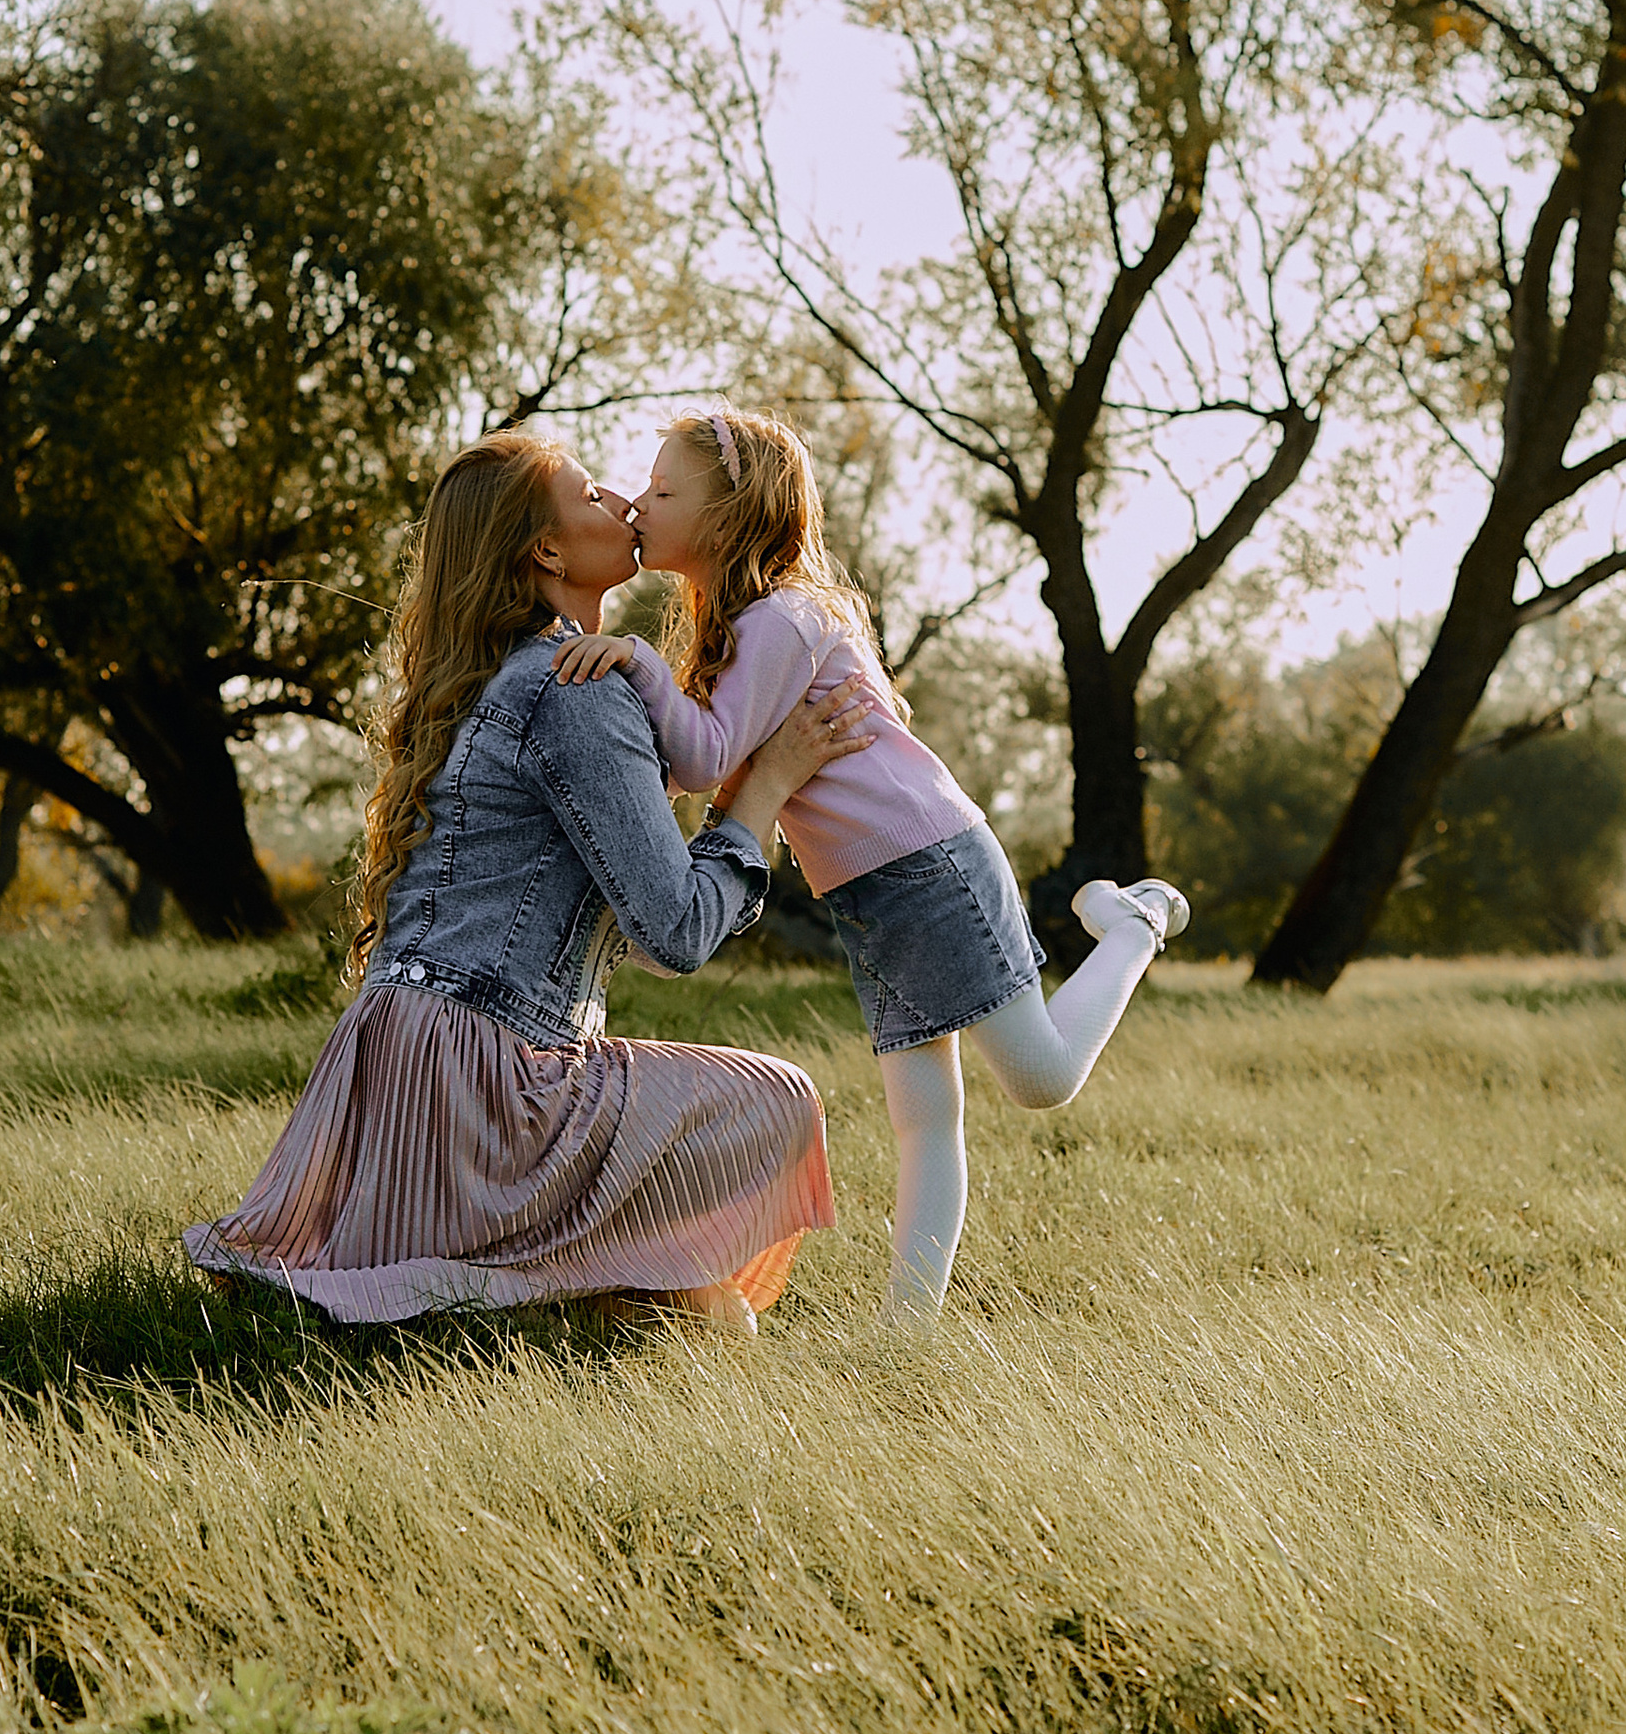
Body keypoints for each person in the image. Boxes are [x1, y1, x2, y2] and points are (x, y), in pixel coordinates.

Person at [183, 429, 872, 1332]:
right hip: (489, 1087)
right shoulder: (573, 692)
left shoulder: (518, 681)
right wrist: (768, 788)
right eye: (592, 496)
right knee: (779, 1099)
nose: (625, 502)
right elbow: (677, 934)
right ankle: (547, 1291)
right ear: (547, 549)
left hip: (403, 1071)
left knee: (702, 1305)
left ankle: (572, 1293)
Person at [552, 405, 1188, 1326]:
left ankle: (1131, 927)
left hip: (929, 864)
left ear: (730, 516)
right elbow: (714, 764)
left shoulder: (786, 615)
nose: (642, 504)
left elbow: (703, 756)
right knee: (924, 1119)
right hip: (872, 893)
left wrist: (637, 666)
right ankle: (906, 1334)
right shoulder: (751, 626)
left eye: (662, 491)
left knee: (1040, 1077)